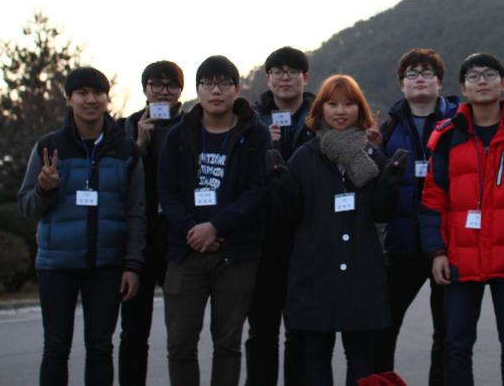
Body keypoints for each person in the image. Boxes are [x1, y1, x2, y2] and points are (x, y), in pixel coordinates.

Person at [420, 53, 504, 386]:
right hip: (460, 255)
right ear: (463, 89)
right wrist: (437, 251)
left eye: (489, 74)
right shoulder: (447, 135)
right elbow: (433, 200)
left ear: (503, 83)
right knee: (456, 346)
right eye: (473, 76)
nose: (482, 81)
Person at [273, 74, 407, 386]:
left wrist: (390, 182)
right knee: (316, 355)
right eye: (332, 104)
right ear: (320, 110)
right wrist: (278, 183)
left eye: (348, 104)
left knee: (360, 356)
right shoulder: (305, 157)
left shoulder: (372, 156)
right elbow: (288, 214)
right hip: (315, 270)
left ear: (360, 109)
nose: (341, 111)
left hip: (361, 270)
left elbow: (382, 212)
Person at [18, 66, 146, 386]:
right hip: (56, 264)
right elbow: (27, 206)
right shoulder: (49, 147)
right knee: (56, 347)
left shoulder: (126, 150)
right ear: (68, 100)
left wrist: (132, 265)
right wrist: (44, 189)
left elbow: (137, 212)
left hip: (107, 265)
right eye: (82, 93)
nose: (90, 100)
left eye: (97, 93)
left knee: (101, 348)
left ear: (107, 98)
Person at [158, 55, 271, 386]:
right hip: (185, 250)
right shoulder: (178, 135)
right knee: (180, 343)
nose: (216, 90)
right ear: (198, 90)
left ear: (237, 88)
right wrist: (192, 230)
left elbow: (258, 191)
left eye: (224, 83)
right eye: (208, 83)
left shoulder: (256, 134)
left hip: (236, 253)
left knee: (227, 343)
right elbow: (167, 191)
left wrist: (216, 227)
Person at [369, 48, 459, 384]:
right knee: (384, 326)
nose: (419, 78)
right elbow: (378, 185)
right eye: (412, 74)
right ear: (402, 84)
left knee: (447, 332)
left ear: (439, 82)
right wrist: (375, 148)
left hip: (448, 244)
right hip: (401, 243)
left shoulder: (459, 123)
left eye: (427, 73)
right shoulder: (390, 126)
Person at [246, 46, 315, 386]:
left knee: (300, 330)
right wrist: (261, 143)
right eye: (277, 71)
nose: (285, 77)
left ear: (305, 78)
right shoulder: (250, 119)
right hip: (262, 238)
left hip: (307, 237)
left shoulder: (321, 117)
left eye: (292, 71)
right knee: (261, 330)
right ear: (268, 78)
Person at [118, 60, 186, 385]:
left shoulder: (192, 126)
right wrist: (139, 146)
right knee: (133, 332)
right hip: (139, 240)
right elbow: (117, 182)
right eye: (155, 84)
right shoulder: (126, 126)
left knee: (181, 333)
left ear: (180, 91)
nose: (163, 91)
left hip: (178, 238)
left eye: (170, 85)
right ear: (145, 88)